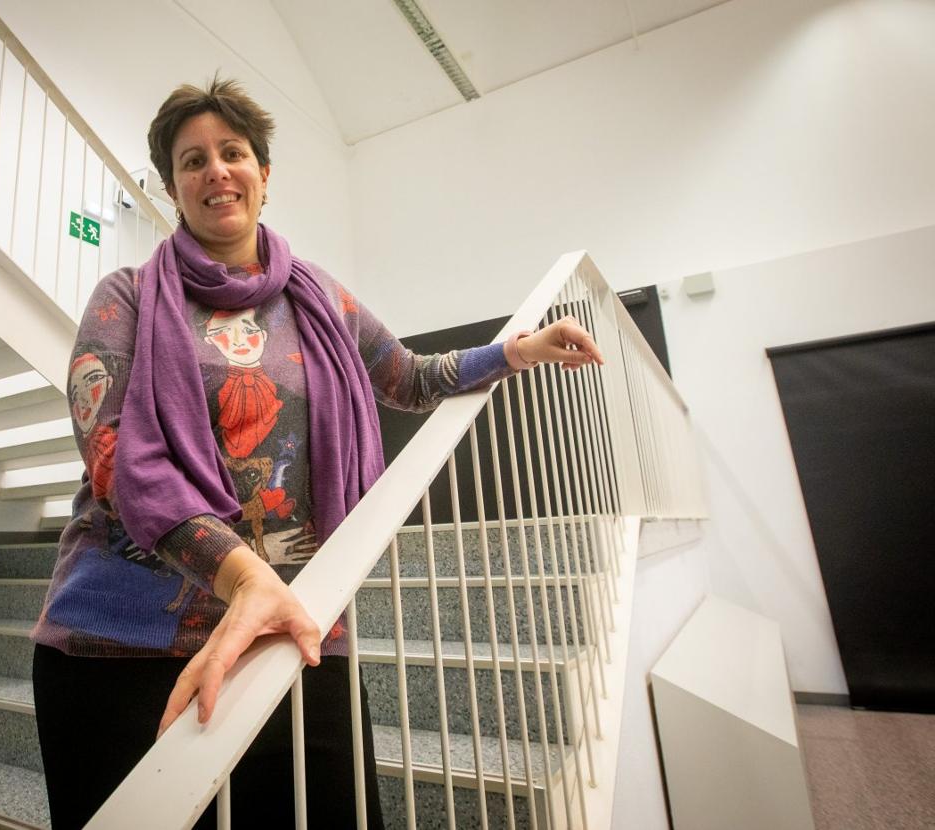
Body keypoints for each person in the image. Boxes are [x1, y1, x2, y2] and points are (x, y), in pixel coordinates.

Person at [30, 77, 605, 830]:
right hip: (119, 648)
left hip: (290, 633)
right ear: (173, 189)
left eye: (233, 153)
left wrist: (515, 352)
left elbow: (406, 375)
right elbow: (112, 455)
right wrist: (243, 576)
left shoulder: (320, 298)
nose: (216, 171)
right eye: (193, 161)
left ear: (263, 174)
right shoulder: (127, 296)